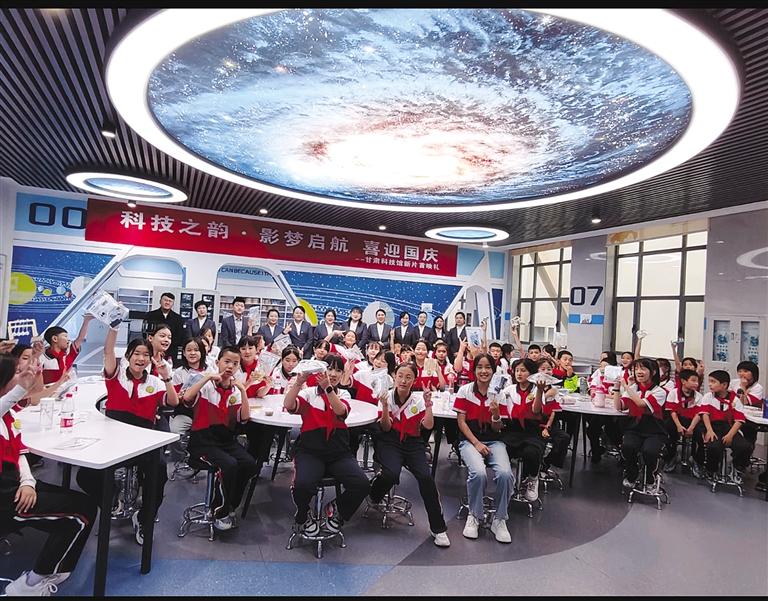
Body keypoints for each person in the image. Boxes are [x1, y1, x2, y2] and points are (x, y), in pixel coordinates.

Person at [0, 357, 98, 596]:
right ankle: (30, 584)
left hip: (16, 484)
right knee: (81, 515)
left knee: (84, 503)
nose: (22, 375)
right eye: (17, 372)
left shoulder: (9, 416)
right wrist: (22, 387)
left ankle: (54, 569)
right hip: (5, 497)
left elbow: (19, 453)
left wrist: (28, 482)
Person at [76, 325, 178, 546]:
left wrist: (167, 377)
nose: (141, 359)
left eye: (145, 355)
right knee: (85, 476)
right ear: (128, 356)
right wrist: (114, 327)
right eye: (136, 354)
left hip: (142, 442)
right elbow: (108, 351)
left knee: (159, 471)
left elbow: (173, 401)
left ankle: (144, 519)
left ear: (150, 359)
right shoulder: (116, 376)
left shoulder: (155, 382)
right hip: (113, 441)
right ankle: (111, 500)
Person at [283, 354, 371, 536]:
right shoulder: (309, 393)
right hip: (310, 451)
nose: (333, 373)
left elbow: (341, 412)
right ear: (320, 371)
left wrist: (328, 389)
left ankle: (337, 508)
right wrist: (298, 383)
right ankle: (304, 514)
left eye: (338, 370)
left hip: (338, 452)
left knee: (362, 484)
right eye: (329, 369)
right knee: (302, 485)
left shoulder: (343, 394)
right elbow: (289, 405)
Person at [369, 362, 450, 547]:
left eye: (408, 377)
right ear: (394, 377)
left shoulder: (418, 400)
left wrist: (428, 404)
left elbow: (428, 426)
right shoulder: (386, 396)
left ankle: (438, 528)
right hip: (390, 441)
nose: (403, 380)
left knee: (426, 478)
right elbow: (385, 427)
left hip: (413, 443)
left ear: (414, 380)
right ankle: (373, 494)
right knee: (391, 473)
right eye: (400, 376)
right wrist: (385, 406)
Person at [182, 347, 259, 530]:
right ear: (217, 363)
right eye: (226, 362)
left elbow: (244, 418)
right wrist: (207, 377)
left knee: (249, 463)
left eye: (235, 363)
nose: (230, 366)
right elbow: (186, 398)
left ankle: (230, 505)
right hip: (202, 441)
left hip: (225, 440)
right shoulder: (206, 384)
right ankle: (219, 510)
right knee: (229, 465)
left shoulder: (235, 391)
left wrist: (243, 390)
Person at [455, 353, 514, 543]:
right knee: (479, 473)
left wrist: (496, 415)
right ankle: (474, 515)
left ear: (494, 371)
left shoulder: (499, 394)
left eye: (488, 367)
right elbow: (461, 422)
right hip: (470, 441)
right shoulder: (464, 391)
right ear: (474, 370)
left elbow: (498, 428)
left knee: (505, 474)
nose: (484, 371)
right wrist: (476, 443)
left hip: (494, 441)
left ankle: (500, 519)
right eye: (479, 367)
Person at [611, 358, 667, 489]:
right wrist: (617, 388)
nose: (638, 372)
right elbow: (619, 406)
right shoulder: (633, 388)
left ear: (653, 372)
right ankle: (632, 473)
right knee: (628, 447)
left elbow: (641, 403)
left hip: (654, 430)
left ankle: (650, 478)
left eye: (643, 368)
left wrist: (626, 386)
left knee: (650, 451)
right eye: (636, 369)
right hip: (634, 428)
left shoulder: (659, 391)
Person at [693, 370, 754, 481]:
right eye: (709, 381)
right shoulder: (708, 396)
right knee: (713, 447)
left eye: (713, 382)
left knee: (745, 446)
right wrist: (709, 431)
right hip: (712, 426)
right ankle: (711, 470)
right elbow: (705, 415)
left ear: (724, 385)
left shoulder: (735, 399)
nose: (710, 384)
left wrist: (730, 435)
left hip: (728, 427)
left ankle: (737, 467)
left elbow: (739, 420)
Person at [502, 358, 545, 502]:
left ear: (531, 373)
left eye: (523, 370)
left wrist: (540, 391)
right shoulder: (509, 390)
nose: (519, 374)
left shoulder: (536, 390)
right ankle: (508, 479)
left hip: (532, 430)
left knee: (531, 452)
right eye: (517, 371)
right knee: (502, 449)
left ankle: (533, 479)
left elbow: (536, 410)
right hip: (512, 429)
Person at [169, 337, 210, 461]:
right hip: (185, 412)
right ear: (184, 353)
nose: (192, 353)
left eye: (196, 350)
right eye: (189, 350)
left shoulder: (210, 371)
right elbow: (175, 397)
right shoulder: (179, 372)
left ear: (202, 352)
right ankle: (181, 458)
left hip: (206, 413)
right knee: (174, 431)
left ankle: (202, 459)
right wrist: (180, 396)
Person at [533, 358, 570, 475]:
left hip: (548, 422)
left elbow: (553, 411)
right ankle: (533, 468)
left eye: (549, 369)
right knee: (538, 443)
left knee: (564, 438)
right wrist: (544, 395)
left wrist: (547, 427)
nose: (546, 371)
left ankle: (547, 462)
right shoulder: (532, 387)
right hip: (533, 422)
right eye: (543, 369)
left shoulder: (554, 389)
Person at [586, 351, 624, 463]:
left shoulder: (618, 377)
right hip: (601, 408)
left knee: (610, 428)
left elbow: (619, 395)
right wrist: (594, 392)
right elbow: (592, 388)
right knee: (592, 427)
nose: (602, 369)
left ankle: (622, 451)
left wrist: (605, 395)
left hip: (615, 410)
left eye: (605, 367)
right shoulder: (599, 375)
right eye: (601, 366)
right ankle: (596, 450)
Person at [661, 369, 702, 473]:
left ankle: (696, 460)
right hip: (677, 420)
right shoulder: (673, 393)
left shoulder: (698, 396)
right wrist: (679, 426)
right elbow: (672, 412)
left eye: (697, 381)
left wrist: (691, 428)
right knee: (668, 429)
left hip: (692, 421)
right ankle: (671, 456)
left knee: (699, 433)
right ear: (683, 381)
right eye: (693, 380)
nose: (696, 384)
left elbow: (698, 414)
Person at [39, 315, 94, 384]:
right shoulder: (42, 357)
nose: (68, 339)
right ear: (55, 339)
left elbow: (80, 338)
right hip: (50, 388)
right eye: (65, 336)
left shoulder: (69, 351)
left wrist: (86, 321)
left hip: (69, 387)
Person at [143, 292, 184, 365]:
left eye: (170, 301)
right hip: (152, 349)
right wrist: (157, 347)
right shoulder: (150, 315)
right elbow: (145, 333)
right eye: (165, 300)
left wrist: (164, 348)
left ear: (172, 304)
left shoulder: (178, 318)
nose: (167, 302)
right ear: (160, 301)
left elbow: (179, 336)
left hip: (171, 351)